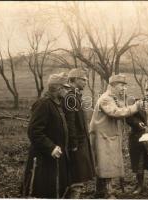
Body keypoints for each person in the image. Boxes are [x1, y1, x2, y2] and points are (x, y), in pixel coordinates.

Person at [89, 74, 142, 198]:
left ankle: (101, 191)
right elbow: (115, 112)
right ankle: (108, 193)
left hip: (108, 136)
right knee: (106, 165)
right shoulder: (106, 99)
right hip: (103, 137)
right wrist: (136, 107)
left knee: (105, 164)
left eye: (125, 86)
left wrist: (132, 103)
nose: (124, 89)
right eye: (121, 86)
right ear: (112, 86)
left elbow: (122, 107)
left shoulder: (113, 98)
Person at [21, 72, 70, 198]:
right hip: (44, 159)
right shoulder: (44, 104)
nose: (67, 90)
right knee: (44, 191)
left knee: (55, 190)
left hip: (55, 158)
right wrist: (51, 147)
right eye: (65, 88)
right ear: (57, 88)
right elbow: (34, 131)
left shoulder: (57, 104)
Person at [62, 68, 95, 198]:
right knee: (77, 176)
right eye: (83, 79)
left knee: (78, 175)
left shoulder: (75, 96)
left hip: (80, 141)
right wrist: (74, 143)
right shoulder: (70, 97)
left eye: (86, 80)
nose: (85, 82)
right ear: (74, 80)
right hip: (76, 144)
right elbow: (70, 123)